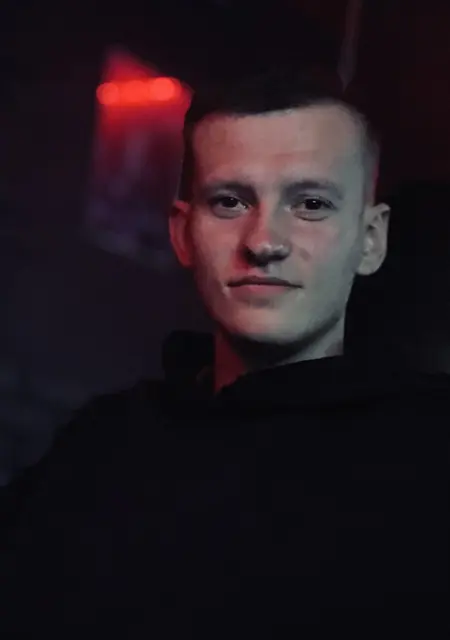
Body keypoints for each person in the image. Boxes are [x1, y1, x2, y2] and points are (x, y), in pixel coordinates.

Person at [1, 66, 448, 635]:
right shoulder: (102, 444)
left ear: (370, 239)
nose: (264, 242)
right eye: (230, 202)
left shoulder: (432, 453)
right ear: (182, 233)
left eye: (311, 203)